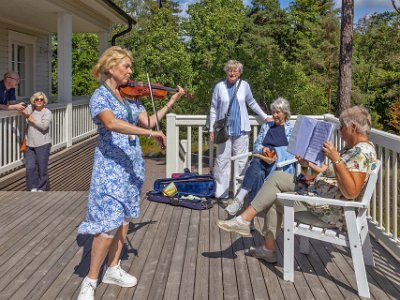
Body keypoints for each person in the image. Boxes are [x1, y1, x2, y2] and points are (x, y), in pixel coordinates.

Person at [77, 46, 185, 300]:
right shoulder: (100, 96)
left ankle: (112, 268)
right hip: (110, 168)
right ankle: (90, 280)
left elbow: (148, 122)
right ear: (110, 67)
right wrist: (151, 134)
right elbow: (111, 123)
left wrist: (170, 101)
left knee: (124, 220)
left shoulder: (132, 98)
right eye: (126, 66)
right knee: (108, 223)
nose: (130, 71)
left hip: (131, 165)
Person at [217, 106, 377, 264]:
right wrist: (308, 164)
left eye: (342, 127)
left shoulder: (362, 153)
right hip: (318, 193)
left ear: (353, 127)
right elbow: (331, 173)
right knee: (278, 177)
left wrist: (336, 158)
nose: (340, 131)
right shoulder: (353, 149)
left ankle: (259, 238)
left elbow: (351, 192)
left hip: (327, 211)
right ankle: (246, 222)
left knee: (273, 196)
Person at [209, 60, 269, 200]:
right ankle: (221, 194)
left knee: (242, 162)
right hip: (224, 131)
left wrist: (265, 117)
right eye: (230, 70)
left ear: (239, 72)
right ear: (226, 71)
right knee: (222, 161)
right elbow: (213, 108)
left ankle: (239, 195)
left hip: (241, 130)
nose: (232, 72)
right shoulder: (219, 87)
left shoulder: (244, 86)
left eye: (235, 70)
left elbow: (252, 103)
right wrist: (212, 128)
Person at [225, 97, 295, 216]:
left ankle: (241, 202)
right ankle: (245, 209)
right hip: (262, 161)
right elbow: (257, 144)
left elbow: (292, 152)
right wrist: (263, 149)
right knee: (258, 171)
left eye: (278, 112)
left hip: (278, 166)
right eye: (273, 112)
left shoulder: (291, 130)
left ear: (285, 113)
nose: (275, 115)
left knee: (257, 168)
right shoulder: (267, 126)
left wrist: (276, 152)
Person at [20, 92, 52, 192]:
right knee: (30, 167)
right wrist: (20, 106)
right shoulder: (31, 109)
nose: (39, 101)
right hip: (30, 143)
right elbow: (23, 111)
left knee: (42, 168)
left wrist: (31, 119)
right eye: (36, 99)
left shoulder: (47, 112)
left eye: (41, 99)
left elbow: (44, 126)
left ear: (44, 101)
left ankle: (41, 188)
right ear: (33, 100)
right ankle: (32, 187)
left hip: (43, 144)